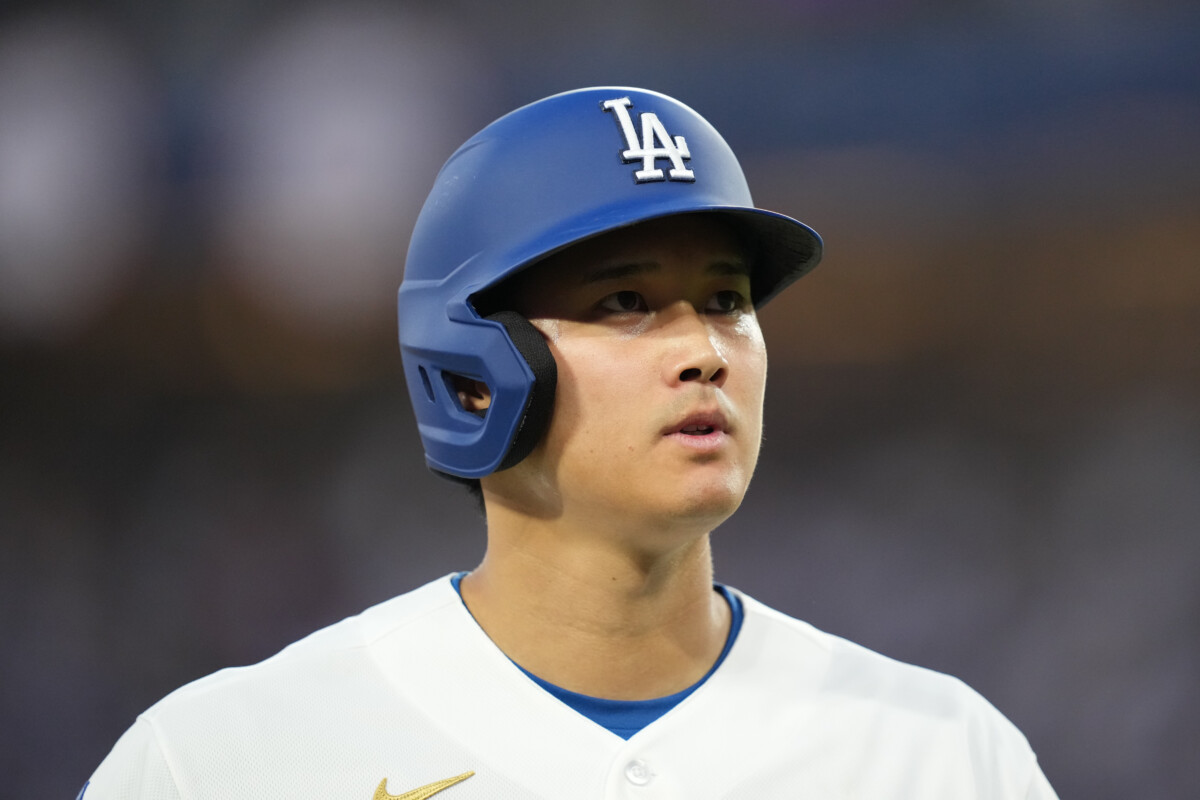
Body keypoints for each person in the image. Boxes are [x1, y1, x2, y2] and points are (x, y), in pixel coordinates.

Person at [83, 87, 1057, 799]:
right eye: (625, 301)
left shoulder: (946, 756)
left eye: (726, 299)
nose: (703, 351)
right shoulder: (220, 761)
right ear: (470, 368)